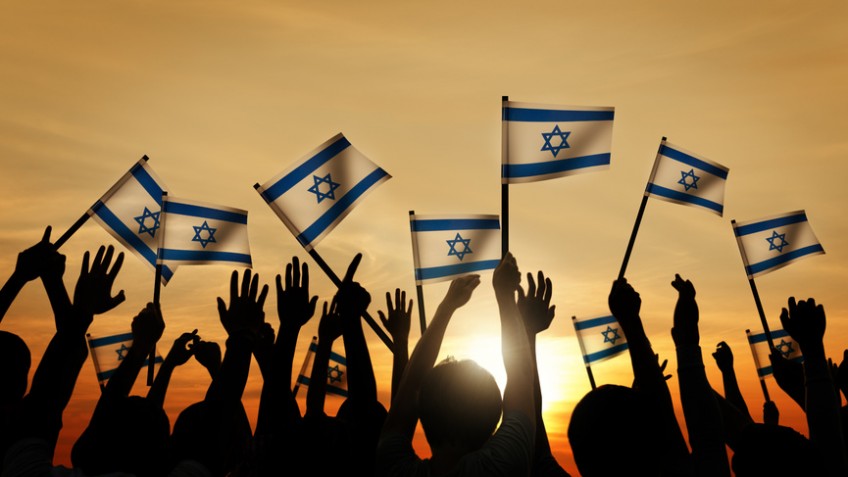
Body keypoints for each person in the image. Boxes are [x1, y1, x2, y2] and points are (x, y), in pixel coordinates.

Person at [377, 252, 535, 476]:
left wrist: (446, 308)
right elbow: (521, 375)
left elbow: (407, 391)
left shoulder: (393, 470)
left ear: (423, 412)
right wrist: (505, 295)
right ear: (493, 417)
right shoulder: (506, 465)